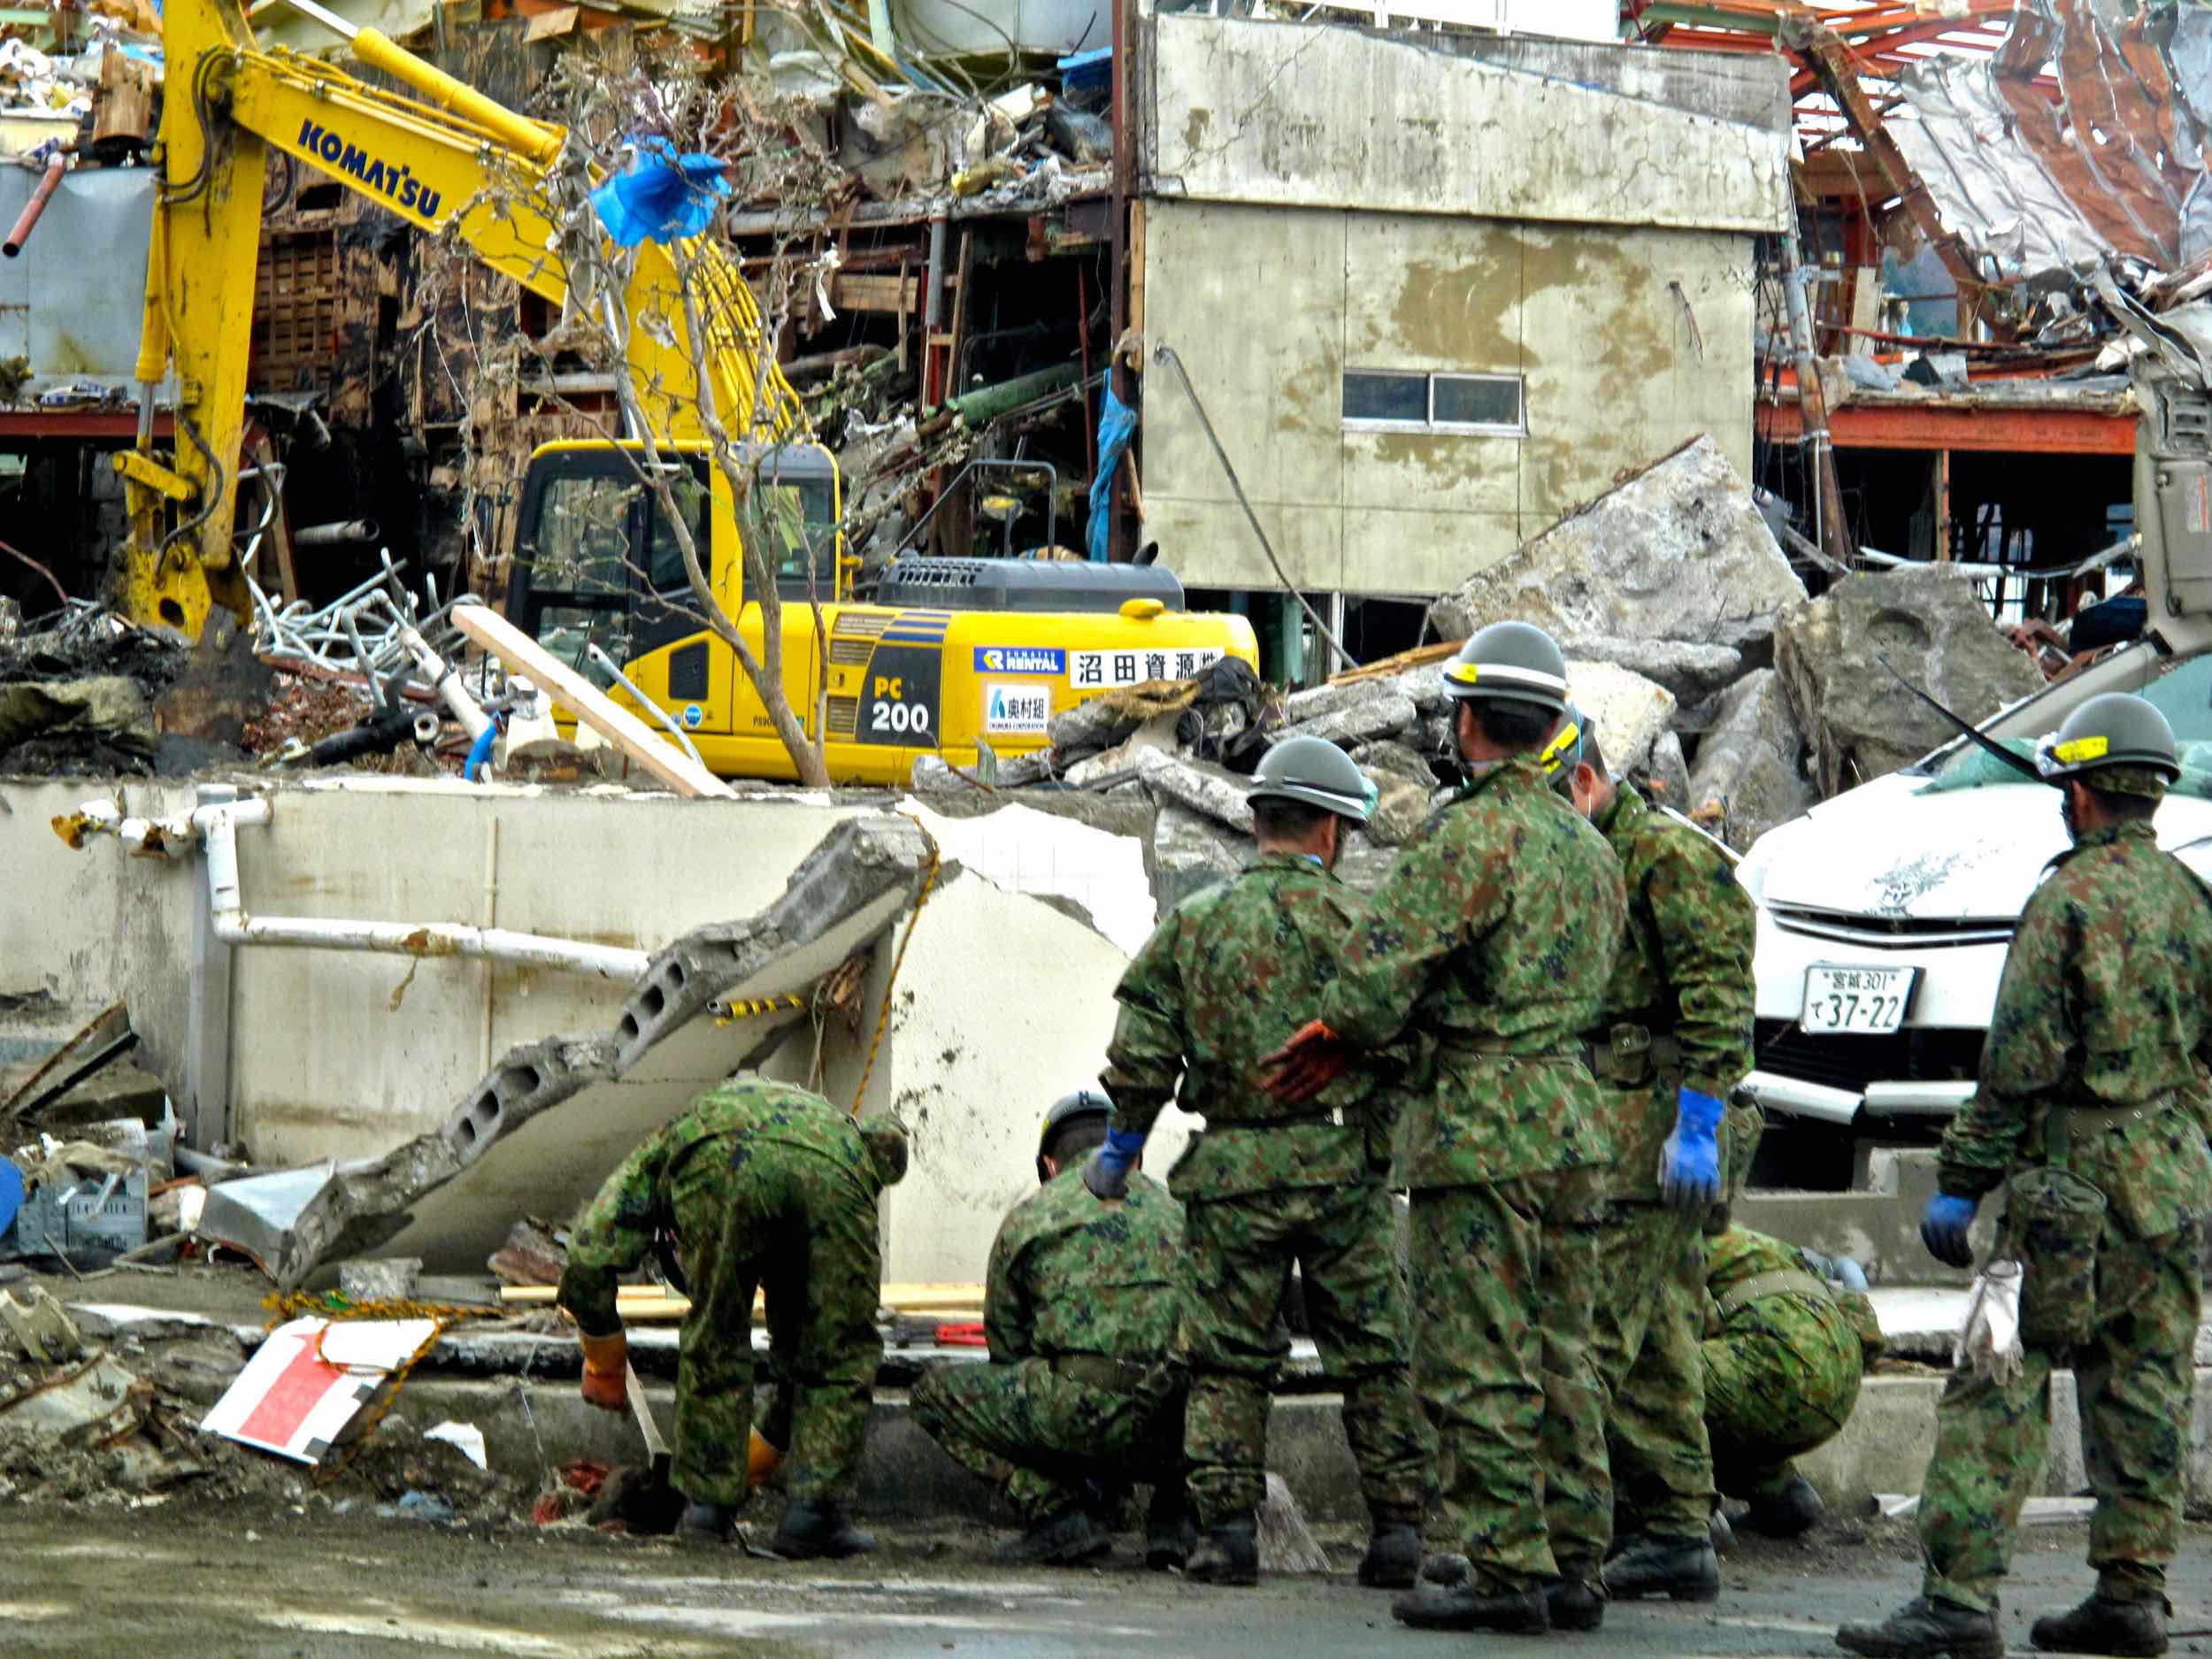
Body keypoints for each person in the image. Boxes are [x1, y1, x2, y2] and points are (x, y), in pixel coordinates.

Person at [1263, 622, 1626, 1636]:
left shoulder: (1468, 835)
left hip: (1482, 1127)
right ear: (1552, 729)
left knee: (1476, 1353)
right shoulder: (1591, 848)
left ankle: (1506, 1568)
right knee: (1565, 1350)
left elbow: (1375, 981)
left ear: (1467, 721)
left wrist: (1342, 1028)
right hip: (1572, 1118)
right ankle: (1574, 1563)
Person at [1838, 693, 2212, 1659]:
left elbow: (2017, 1067)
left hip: (2061, 1201)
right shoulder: (2190, 900)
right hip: (2170, 1186)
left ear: (2079, 793)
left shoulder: (2063, 903)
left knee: (1992, 1380)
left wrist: (1961, 1177)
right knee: (2146, 1387)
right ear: (2153, 796)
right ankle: (2131, 1594)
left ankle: (1957, 1602)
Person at [1090, 733, 1432, 1590]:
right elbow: (1412, 1050)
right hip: (1342, 1172)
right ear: (1330, 832)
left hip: (1231, 1176)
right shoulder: (1368, 929)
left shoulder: (1195, 924)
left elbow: (1140, 1056)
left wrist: (1121, 1146)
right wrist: (1370, 1135)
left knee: (1227, 1358)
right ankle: (1397, 1533)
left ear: (1258, 824)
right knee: (1371, 1351)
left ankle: (1226, 1536)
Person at [1546, 724, 1756, 1616]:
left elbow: (1719, 994)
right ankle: (1673, 1526)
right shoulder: (1593, 855)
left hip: (1656, 1119)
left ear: (1586, 780)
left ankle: (1551, 1542)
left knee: (1588, 1327)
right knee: (1662, 1332)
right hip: (1616, 1111)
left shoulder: (1664, 858)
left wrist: (1699, 1119)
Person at [559, 1078, 910, 1559]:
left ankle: (707, 1513)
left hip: (719, 1159)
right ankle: (811, 1517)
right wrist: (759, 1456)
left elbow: (589, 1253)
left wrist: (604, 1362)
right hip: (834, 1178)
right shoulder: (839, 1134)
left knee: (716, 1335)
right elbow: (816, 1357)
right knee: (838, 1351)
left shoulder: (671, 1141)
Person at [910, 1089, 1194, 1568]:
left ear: (1049, 1165)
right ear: (1137, 1156)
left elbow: (1007, 1348)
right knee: (1216, 1383)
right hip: (1177, 1421)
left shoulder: (1028, 1218)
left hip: (1073, 1413)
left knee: (932, 1396)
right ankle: (1177, 1516)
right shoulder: (1181, 1212)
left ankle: (1058, 1514)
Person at [1685, 1225, 1882, 1540]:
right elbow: (1864, 1323)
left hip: (1776, 1363)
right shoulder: (1752, 1245)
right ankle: (1782, 1495)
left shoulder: (1671, 1239)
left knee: (1650, 1383)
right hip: (1842, 1376)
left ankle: (1681, 1518)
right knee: (1733, 1399)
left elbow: (1694, 1319)